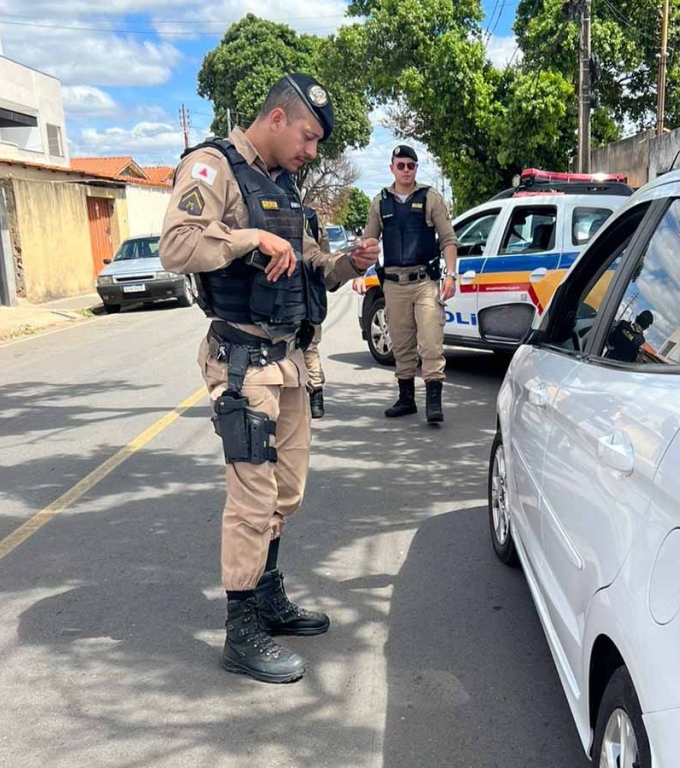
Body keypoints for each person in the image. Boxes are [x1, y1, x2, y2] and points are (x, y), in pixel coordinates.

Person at [160, 73, 379, 684]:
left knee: (286, 494)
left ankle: (269, 596)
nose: (312, 152)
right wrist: (245, 236)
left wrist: (344, 264)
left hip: (289, 361)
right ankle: (241, 628)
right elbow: (177, 246)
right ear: (277, 119)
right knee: (253, 501)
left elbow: (312, 264)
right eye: (309, 137)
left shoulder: (284, 187)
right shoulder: (213, 168)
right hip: (242, 361)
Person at [362, 145, 457, 423]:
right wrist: (358, 273)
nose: (406, 170)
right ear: (392, 167)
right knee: (401, 344)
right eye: (400, 165)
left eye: (411, 166)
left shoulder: (430, 198)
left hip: (424, 282)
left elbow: (449, 239)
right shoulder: (380, 202)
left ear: (416, 168)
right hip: (393, 283)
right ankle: (406, 399)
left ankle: (433, 403)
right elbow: (369, 242)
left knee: (430, 342)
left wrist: (451, 275)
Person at [302, 205, 329, 419]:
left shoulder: (310, 217)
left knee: (309, 344)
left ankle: (315, 393)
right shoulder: (311, 216)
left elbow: (324, 257)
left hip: (307, 289)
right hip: (308, 288)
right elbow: (325, 255)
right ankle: (313, 392)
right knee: (308, 345)